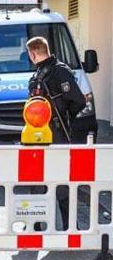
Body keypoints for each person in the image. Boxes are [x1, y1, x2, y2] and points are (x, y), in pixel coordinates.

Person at [26, 36, 86, 231]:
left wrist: (63, 121)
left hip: (56, 135)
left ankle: (69, 226)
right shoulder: (40, 74)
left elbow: (78, 101)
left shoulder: (59, 72)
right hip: (40, 136)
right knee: (38, 181)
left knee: (60, 182)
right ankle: (35, 225)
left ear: (33, 53)